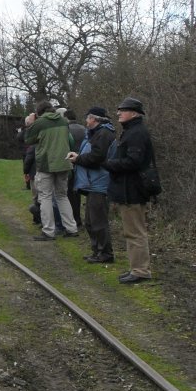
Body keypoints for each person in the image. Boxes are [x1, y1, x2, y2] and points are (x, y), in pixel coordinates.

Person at [103, 97, 155, 284]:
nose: (118, 113)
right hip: (129, 189)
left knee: (135, 232)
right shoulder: (132, 131)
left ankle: (141, 271)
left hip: (133, 190)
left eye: (122, 110)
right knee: (131, 231)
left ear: (134, 113)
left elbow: (134, 162)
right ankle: (136, 268)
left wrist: (110, 164)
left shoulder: (136, 133)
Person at [24, 101, 79, 240]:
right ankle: (71, 229)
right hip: (64, 162)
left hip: (46, 164)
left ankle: (48, 231)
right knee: (62, 196)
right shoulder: (63, 121)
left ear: (39, 112)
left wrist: (31, 123)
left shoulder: (40, 123)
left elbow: (28, 140)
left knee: (45, 197)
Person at [68, 106, 115, 263]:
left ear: (94, 119)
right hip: (92, 184)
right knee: (90, 221)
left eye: (88, 118)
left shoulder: (103, 134)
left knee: (98, 221)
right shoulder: (96, 134)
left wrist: (78, 159)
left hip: (99, 183)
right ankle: (97, 251)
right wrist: (79, 156)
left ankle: (105, 254)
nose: (86, 121)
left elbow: (97, 158)